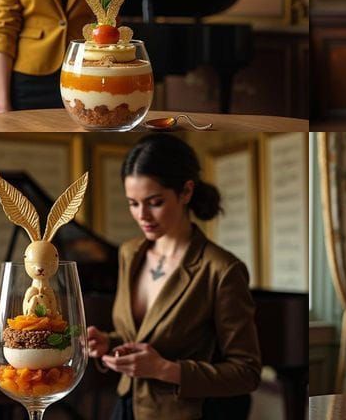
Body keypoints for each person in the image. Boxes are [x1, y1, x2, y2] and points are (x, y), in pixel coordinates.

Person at [85, 134, 261, 420]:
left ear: (186, 192)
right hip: (125, 408)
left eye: (154, 202)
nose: (142, 215)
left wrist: (165, 370)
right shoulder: (129, 254)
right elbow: (143, 337)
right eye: (133, 203)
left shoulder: (222, 270)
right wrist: (109, 343)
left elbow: (247, 373)